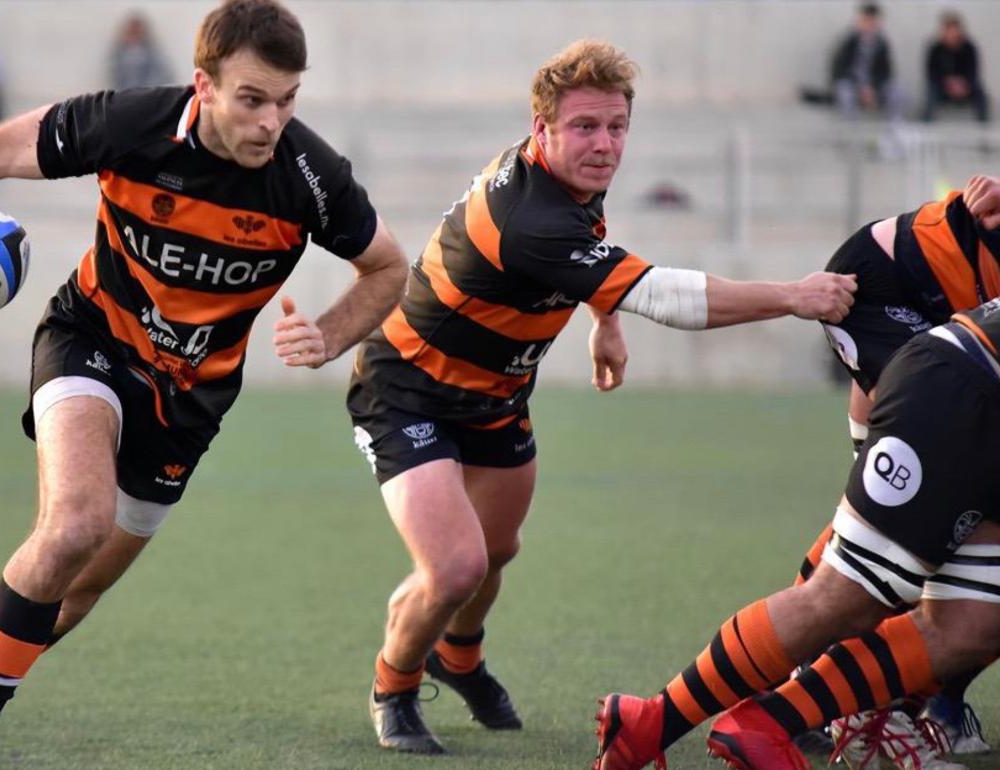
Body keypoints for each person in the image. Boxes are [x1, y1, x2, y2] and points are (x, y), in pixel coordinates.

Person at [0, 2, 409, 768]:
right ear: (205, 84)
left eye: (288, 100)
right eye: (252, 99)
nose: (271, 121)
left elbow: (389, 267)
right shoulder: (130, 126)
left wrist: (330, 334)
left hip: (190, 401)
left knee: (79, 593)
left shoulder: (309, 178)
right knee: (75, 523)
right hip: (90, 341)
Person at [346, 38, 857, 755]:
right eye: (586, 127)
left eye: (617, 127)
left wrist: (603, 321)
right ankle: (393, 686)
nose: (605, 144)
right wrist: (795, 296)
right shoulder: (530, 217)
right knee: (455, 567)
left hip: (495, 394)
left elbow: (590, 253)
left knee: (496, 550)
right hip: (407, 392)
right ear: (542, 127)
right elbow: (667, 296)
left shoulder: (564, 183)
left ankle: (457, 657)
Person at [594, 292, 1000, 770]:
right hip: (964, 391)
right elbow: (870, 263)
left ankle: (767, 722)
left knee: (975, 624)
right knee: (846, 596)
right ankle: (657, 721)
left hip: (974, 401)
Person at [789, 174, 1000, 760]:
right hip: (882, 297)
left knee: (947, 528)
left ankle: (899, 694)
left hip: (944, 332)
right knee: (911, 524)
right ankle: (819, 681)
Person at [830, 3, 902, 121]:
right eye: (866, 20)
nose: (869, 25)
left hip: (874, 87)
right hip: (853, 85)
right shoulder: (849, 42)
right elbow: (840, 70)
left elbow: (887, 72)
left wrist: (871, 88)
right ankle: (850, 128)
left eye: (872, 21)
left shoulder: (882, 44)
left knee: (896, 91)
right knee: (844, 91)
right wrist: (861, 87)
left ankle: (893, 127)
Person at [922, 12, 989, 124]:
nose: (951, 34)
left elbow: (973, 71)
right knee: (931, 92)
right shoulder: (935, 49)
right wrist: (948, 83)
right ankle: (926, 126)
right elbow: (931, 73)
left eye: (954, 30)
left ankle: (984, 127)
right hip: (943, 87)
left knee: (980, 93)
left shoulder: (969, 47)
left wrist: (963, 83)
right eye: (948, 30)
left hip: (965, 87)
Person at [111, 12, 172, 90]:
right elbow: (115, 76)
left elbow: (162, 75)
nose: (134, 36)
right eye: (132, 32)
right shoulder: (118, 55)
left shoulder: (152, 54)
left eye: (136, 32)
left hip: (147, 94)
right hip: (124, 95)